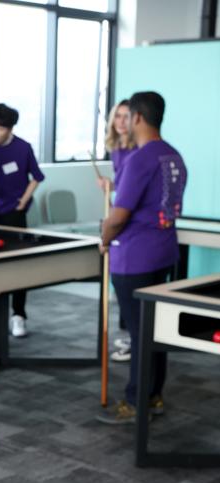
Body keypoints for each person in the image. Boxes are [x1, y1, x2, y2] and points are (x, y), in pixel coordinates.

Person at [96, 91, 187, 425]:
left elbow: (119, 216)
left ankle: (137, 402)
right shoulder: (174, 155)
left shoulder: (140, 159)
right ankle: (155, 395)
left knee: (139, 333)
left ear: (136, 118)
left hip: (134, 257)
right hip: (164, 252)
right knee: (156, 330)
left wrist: (104, 237)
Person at [0, 103, 45, 338]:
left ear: (11, 129)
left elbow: (36, 177)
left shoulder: (23, 148)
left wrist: (22, 201)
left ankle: (19, 315)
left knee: (19, 263)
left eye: (0, 128)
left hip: (15, 213)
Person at [99, 99, 138, 362]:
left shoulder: (138, 152)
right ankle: (134, 337)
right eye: (118, 116)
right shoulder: (117, 151)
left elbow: (132, 193)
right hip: (120, 219)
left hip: (129, 226)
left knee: (131, 290)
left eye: (126, 116)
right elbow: (124, 186)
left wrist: (107, 233)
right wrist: (111, 187)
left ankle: (137, 339)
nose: (121, 122)